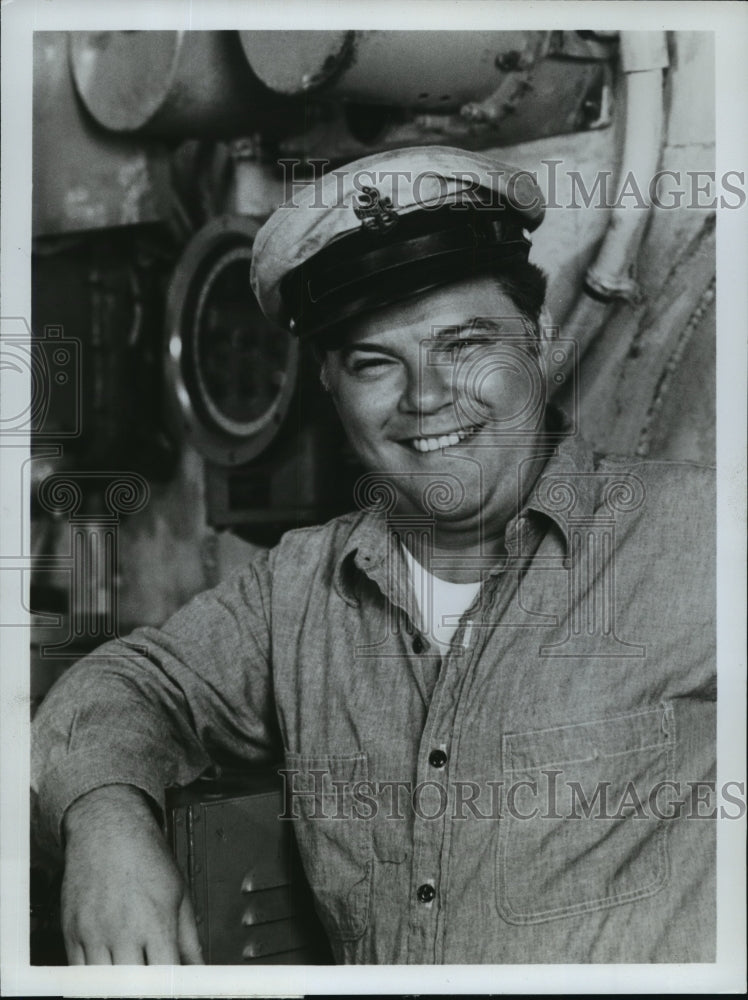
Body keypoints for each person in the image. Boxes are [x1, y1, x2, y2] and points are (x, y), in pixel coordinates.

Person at [31, 146, 716, 965]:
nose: (425, 397)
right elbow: (128, 681)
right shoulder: (298, 589)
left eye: (464, 345)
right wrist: (107, 822)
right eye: (373, 364)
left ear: (538, 340)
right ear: (329, 385)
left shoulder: (700, 533)